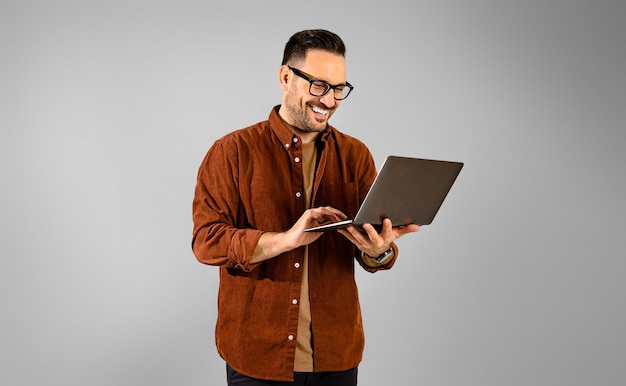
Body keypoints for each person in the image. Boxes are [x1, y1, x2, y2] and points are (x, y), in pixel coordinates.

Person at [192, 29, 420, 385]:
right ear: (286, 77)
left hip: (336, 354)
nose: (329, 100)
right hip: (257, 356)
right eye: (318, 85)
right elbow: (207, 242)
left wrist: (379, 251)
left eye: (338, 89)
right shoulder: (231, 152)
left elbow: (372, 251)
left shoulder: (356, 155)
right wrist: (286, 239)